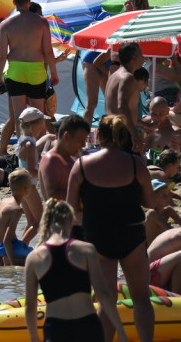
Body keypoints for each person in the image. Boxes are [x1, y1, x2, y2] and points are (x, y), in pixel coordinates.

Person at [67, 115, 155, 342]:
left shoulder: (82, 166)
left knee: (107, 302)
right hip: (131, 233)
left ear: (101, 136)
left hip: (99, 236)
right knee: (141, 299)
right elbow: (150, 203)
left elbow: (70, 209)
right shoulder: (136, 164)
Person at [24, 199, 128, 342]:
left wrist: (33, 336)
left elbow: (30, 306)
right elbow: (103, 293)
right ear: (72, 221)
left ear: (45, 221)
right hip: (87, 325)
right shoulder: (86, 249)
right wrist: (120, 330)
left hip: (56, 329)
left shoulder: (34, 258)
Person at [0, 0, 57, 157]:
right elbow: (48, 51)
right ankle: (42, 153)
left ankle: (22, 153)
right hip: (36, 69)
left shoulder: (6, 24)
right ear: (29, 2)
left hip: (15, 70)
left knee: (19, 117)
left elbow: (2, 55)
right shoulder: (41, 22)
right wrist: (54, 73)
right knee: (39, 115)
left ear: (14, 2)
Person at [38, 114, 91, 203]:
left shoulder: (70, 158)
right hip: (61, 215)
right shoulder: (52, 160)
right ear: (66, 136)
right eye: (81, 141)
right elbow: (54, 198)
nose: (83, 145)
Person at [105, 42, 146, 149]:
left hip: (112, 130)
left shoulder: (114, 76)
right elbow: (122, 106)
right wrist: (134, 134)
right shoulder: (127, 78)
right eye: (141, 54)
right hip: (122, 132)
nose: (143, 57)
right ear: (134, 57)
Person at [0, 169, 37, 266]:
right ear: (26, 189)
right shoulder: (16, 210)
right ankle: (11, 261)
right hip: (9, 247)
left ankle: (2, 259)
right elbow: (7, 240)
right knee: (39, 257)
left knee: (22, 248)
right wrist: (13, 265)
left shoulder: (2, 202)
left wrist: (0, 253)